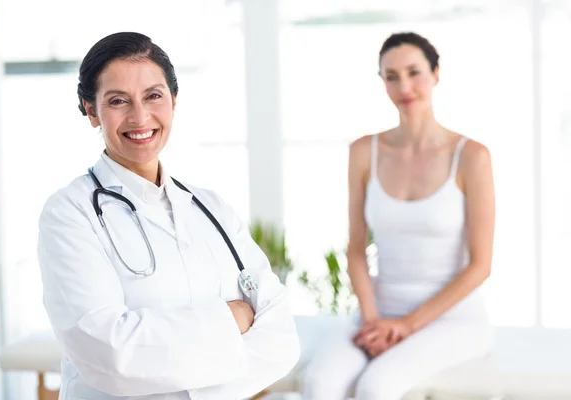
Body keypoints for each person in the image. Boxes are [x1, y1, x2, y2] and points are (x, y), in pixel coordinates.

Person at [37, 32, 299, 400]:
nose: (140, 116)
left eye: (153, 96)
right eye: (117, 101)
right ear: (91, 111)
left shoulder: (212, 209)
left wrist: (176, 370)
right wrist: (232, 319)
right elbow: (110, 354)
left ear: (174, 100)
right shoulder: (69, 213)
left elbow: (282, 338)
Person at [302, 32, 495, 400]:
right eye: (391, 76)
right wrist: (375, 322)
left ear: (436, 74)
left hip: (453, 319)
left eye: (414, 72)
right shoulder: (364, 151)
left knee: (377, 386)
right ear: (382, 82)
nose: (404, 85)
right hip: (379, 310)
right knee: (320, 383)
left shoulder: (472, 156)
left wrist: (406, 326)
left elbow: (480, 266)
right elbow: (356, 250)